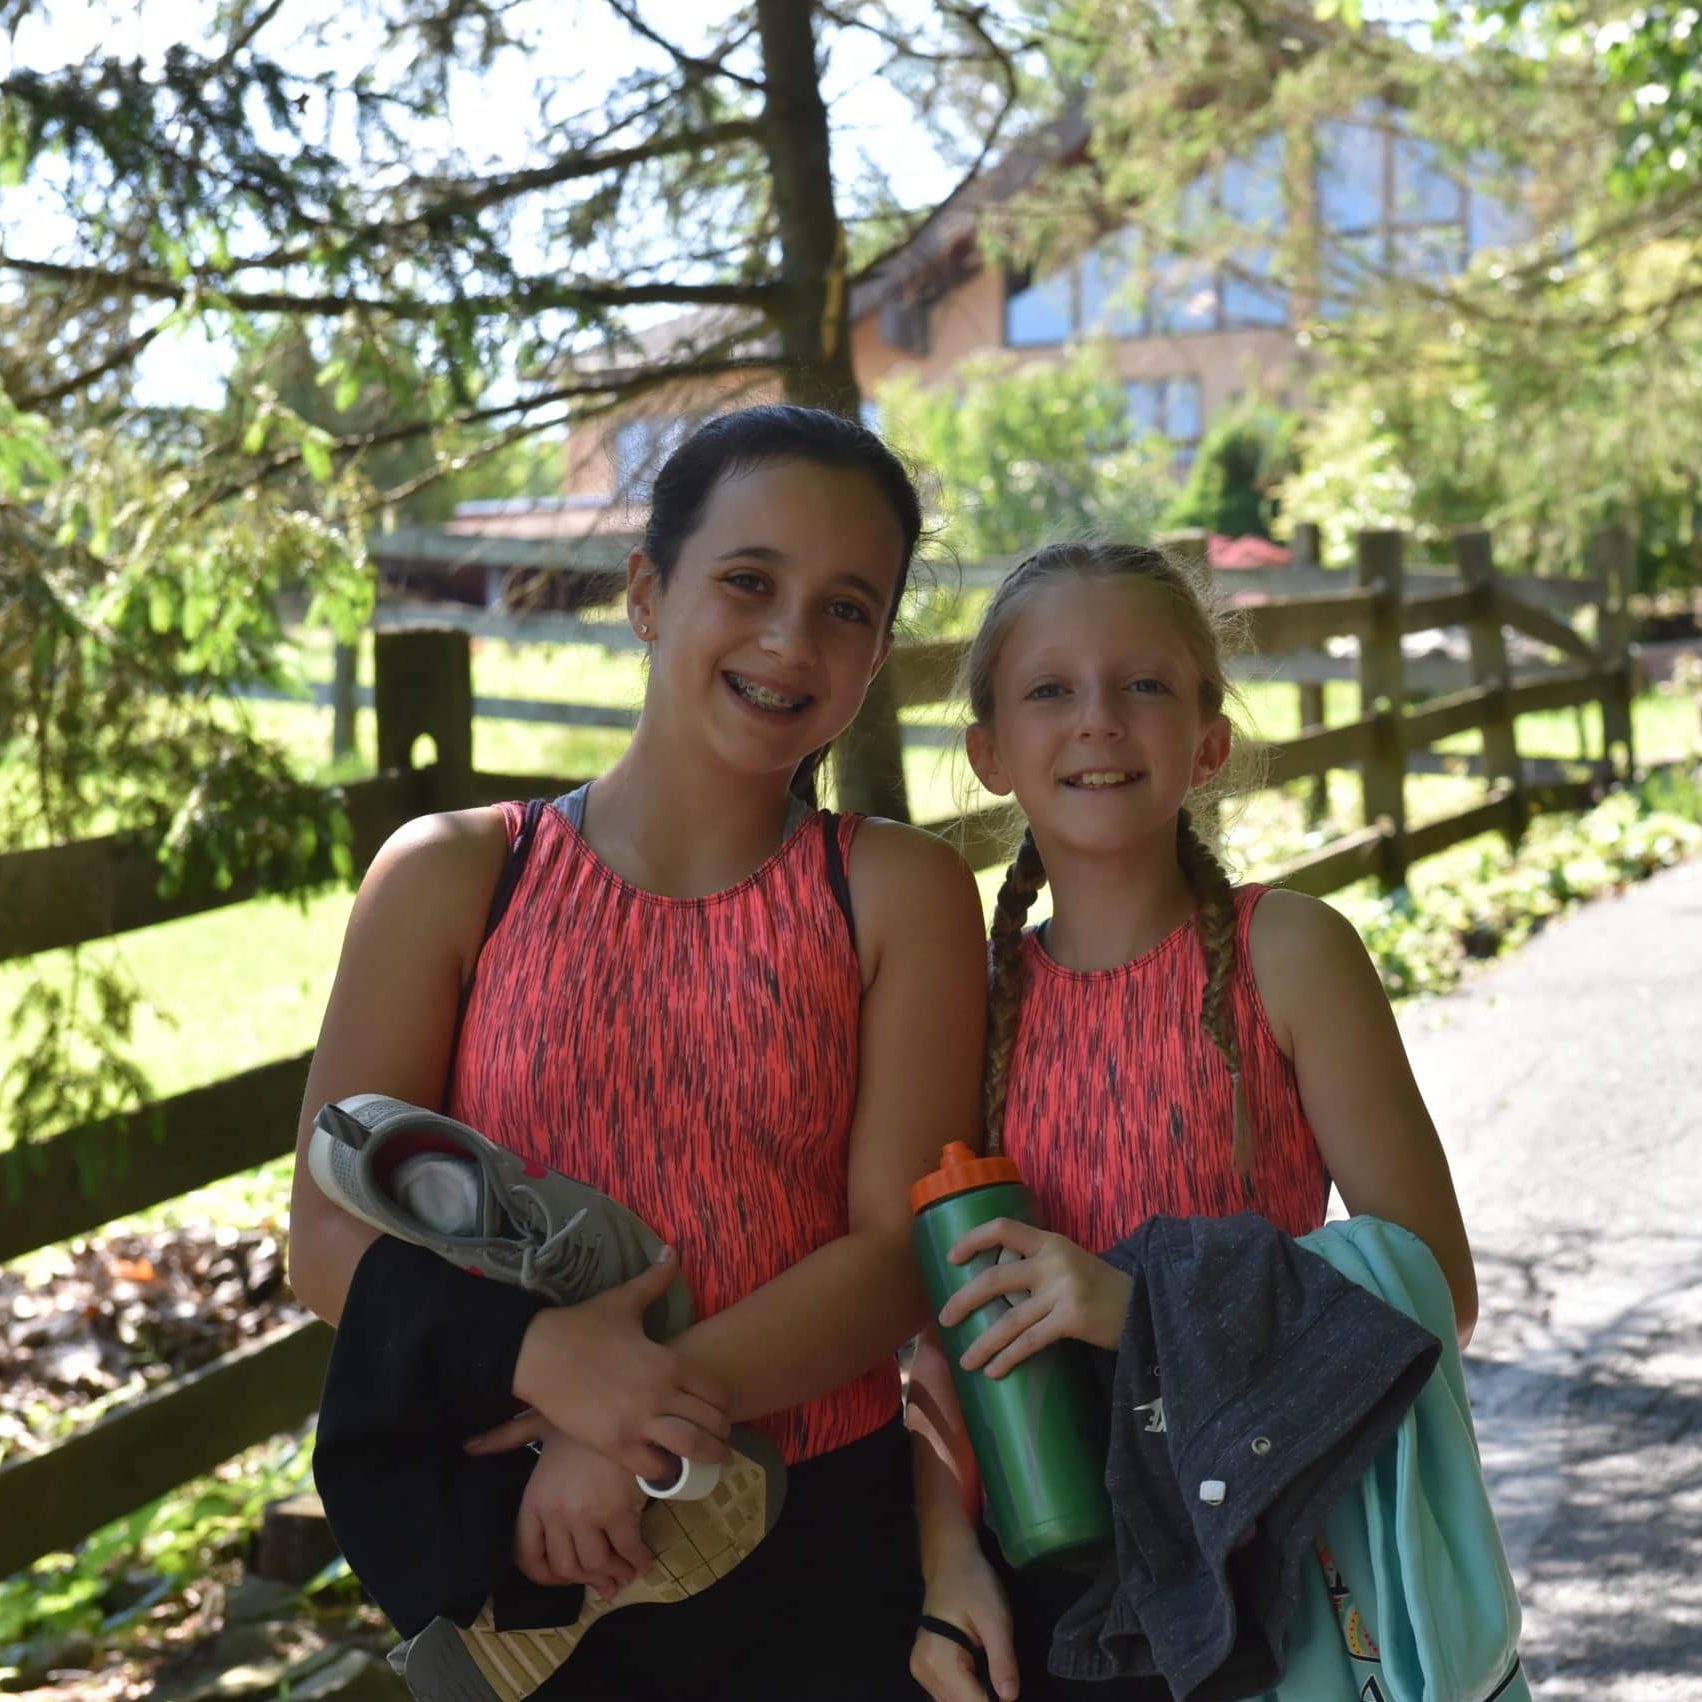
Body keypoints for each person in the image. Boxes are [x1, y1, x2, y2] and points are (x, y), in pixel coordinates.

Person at [288, 404, 988, 1700]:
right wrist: (543, 1363)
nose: (790, 639)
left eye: (846, 608)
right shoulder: (454, 876)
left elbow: (896, 1250)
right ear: (645, 592)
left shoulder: (899, 892)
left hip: (818, 1554)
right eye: (748, 581)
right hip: (542, 1557)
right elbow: (325, 1234)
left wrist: (632, 1417)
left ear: (879, 651)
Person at [906, 540, 1477, 1702]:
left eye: (1144, 683)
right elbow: (933, 1333)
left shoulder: (1292, 956)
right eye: (1049, 689)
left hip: (1275, 1578)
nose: (1097, 719)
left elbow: (1435, 1292)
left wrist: (1146, 1313)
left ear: (1209, 741)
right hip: (1049, 1594)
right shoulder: (963, 1003)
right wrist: (943, 1558)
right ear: (989, 753)